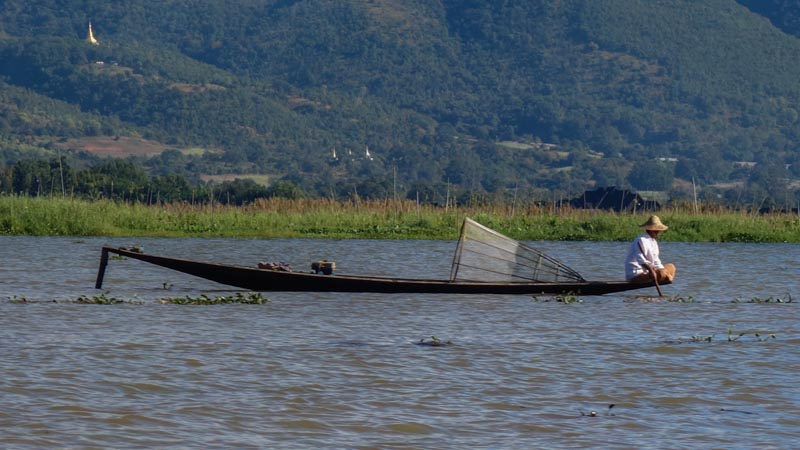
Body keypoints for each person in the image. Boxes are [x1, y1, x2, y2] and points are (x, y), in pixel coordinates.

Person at [625, 215, 676, 283]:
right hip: (636, 274)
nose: (659, 233)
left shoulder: (654, 242)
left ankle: (665, 277)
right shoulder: (640, 240)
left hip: (650, 273)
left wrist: (661, 270)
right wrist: (651, 270)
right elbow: (641, 260)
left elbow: (656, 261)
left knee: (671, 267)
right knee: (661, 273)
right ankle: (665, 277)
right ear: (651, 230)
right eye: (657, 231)